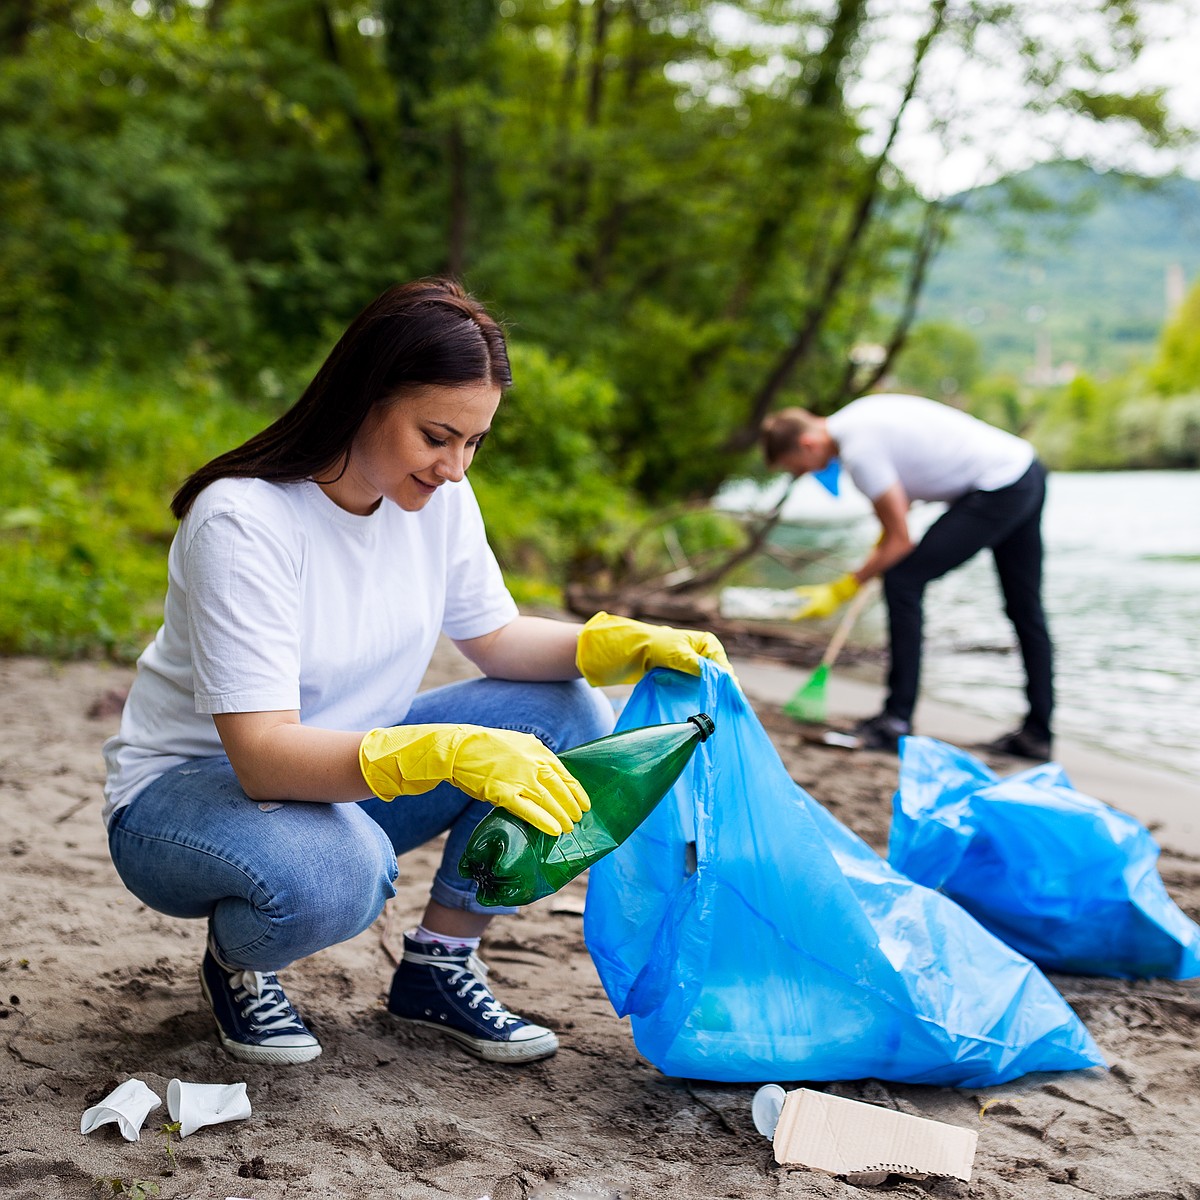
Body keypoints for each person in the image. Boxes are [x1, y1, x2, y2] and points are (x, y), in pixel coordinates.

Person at [102, 277, 731, 1069]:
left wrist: (619, 643)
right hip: (193, 798)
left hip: (344, 777)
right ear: (365, 396)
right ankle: (240, 963)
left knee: (565, 714)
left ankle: (439, 963)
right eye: (437, 436)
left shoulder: (436, 501)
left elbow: (498, 640)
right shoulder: (244, 519)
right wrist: (445, 751)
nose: (455, 468)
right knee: (340, 873)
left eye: (474, 442)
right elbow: (261, 757)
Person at [760, 393, 1053, 758]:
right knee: (1025, 609)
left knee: (903, 580)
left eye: (797, 466)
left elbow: (900, 541)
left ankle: (896, 720)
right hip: (1025, 469)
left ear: (807, 443)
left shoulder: (858, 451)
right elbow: (903, 502)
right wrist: (883, 546)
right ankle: (1038, 735)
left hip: (998, 487)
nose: (805, 473)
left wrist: (844, 587)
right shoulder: (856, 417)